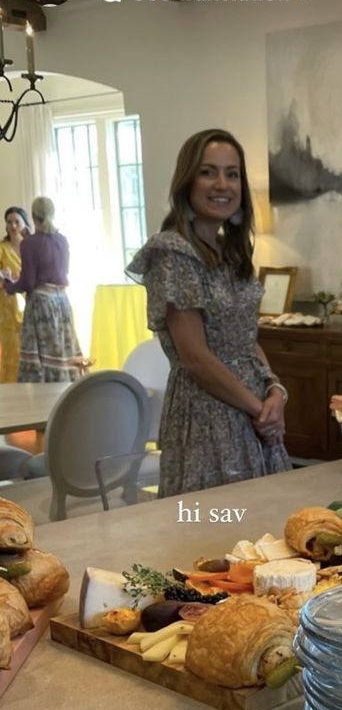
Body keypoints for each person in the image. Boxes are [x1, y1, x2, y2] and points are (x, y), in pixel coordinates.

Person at [127, 128, 290, 497]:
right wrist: (259, 410)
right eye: (208, 172)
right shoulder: (172, 254)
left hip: (252, 410)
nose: (222, 184)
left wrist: (275, 392)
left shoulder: (229, 252)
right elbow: (196, 358)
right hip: (207, 413)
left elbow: (246, 341)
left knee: (259, 528)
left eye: (232, 173)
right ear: (187, 181)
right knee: (214, 526)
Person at [2, 196, 83, 382]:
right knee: (63, 349)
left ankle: (43, 402)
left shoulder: (29, 244)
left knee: (44, 357)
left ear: (32, 217)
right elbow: (64, 271)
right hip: (62, 301)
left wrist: (9, 286)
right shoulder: (62, 240)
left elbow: (28, 282)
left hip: (42, 303)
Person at [0, 207, 30, 383]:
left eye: (17, 221)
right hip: (8, 305)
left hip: (31, 302)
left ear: (24, 223)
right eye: (9, 222)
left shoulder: (32, 245)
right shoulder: (2, 248)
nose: (13, 225)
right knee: (11, 349)